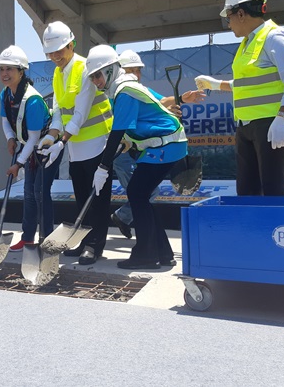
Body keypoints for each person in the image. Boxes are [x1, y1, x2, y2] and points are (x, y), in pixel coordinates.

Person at [195, 0, 284, 196]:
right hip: (247, 126)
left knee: (273, 188)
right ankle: (254, 230)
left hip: (272, 122)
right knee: (247, 191)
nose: (228, 24)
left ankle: (278, 229)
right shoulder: (249, 42)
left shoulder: (274, 36)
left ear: (240, 14)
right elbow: (249, 85)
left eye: (227, 17)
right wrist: (215, 84)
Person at [86, 45, 187, 269]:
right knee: (140, 195)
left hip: (166, 145)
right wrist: (128, 143)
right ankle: (162, 253)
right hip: (163, 145)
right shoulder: (119, 90)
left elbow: (117, 132)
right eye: (92, 77)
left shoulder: (124, 91)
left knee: (137, 193)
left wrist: (103, 167)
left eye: (98, 75)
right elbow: (135, 127)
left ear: (111, 70)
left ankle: (146, 255)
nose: (96, 81)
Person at [38, 21, 113, 265]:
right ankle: (83, 240)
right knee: (82, 196)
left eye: (59, 50)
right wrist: (51, 136)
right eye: (51, 52)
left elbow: (80, 112)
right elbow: (60, 109)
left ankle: (95, 245)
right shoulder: (58, 73)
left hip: (97, 141)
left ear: (72, 44)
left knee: (98, 198)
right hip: (75, 146)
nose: (55, 56)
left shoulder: (84, 68)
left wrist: (61, 141)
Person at [111, 50, 205, 238]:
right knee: (141, 193)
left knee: (143, 193)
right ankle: (146, 242)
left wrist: (181, 100)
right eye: (132, 70)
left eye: (138, 71)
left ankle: (148, 243)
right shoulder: (120, 91)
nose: (136, 75)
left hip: (137, 148)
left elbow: (160, 101)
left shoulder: (137, 88)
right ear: (119, 71)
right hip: (119, 149)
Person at [0, 45, 60, 251]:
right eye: (2, 69)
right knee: (29, 194)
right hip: (28, 147)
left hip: (47, 148)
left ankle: (46, 239)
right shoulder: (5, 94)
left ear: (21, 72)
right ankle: (28, 237)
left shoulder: (32, 100)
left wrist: (18, 164)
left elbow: (33, 139)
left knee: (40, 192)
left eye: (9, 69)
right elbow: (6, 120)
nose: (4, 74)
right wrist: (10, 138)